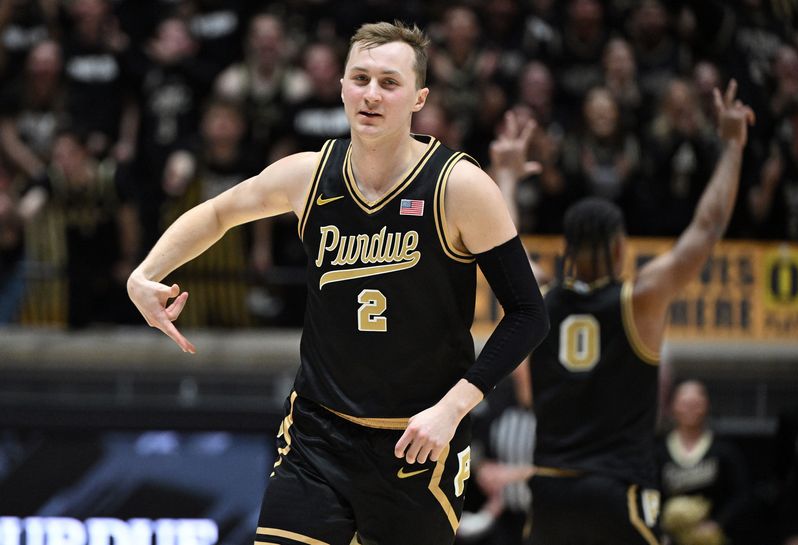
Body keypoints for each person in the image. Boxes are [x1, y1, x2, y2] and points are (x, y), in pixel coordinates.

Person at [127, 21, 549, 545]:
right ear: (341, 87)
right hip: (317, 436)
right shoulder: (309, 175)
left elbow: (529, 313)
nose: (372, 94)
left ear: (419, 97)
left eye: (389, 83)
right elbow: (217, 213)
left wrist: (452, 408)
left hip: (417, 444)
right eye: (361, 78)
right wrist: (145, 275)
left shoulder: (459, 187)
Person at [490, 79, 753, 544]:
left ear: (567, 249)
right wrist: (733, 144)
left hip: (550, 493)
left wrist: (507, 174)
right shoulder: (640, 299)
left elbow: (503, 242)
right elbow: (707, 227)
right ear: (618, 247)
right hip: (618, 492)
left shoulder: (539, 298)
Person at [656, 380, 750, 545]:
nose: (690, 409)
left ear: (706, 406)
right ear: (673, 407)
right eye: (685, 403)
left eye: (696, 403)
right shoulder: (658, 450)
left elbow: (741, 494)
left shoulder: (723, 450)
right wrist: (659, 531)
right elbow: (649, 492)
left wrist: (717, 523)